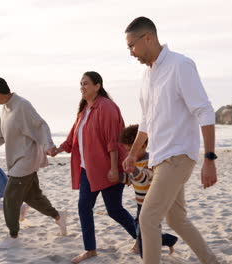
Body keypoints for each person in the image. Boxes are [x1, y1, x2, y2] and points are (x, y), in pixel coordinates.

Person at [123, 17, 219, 264]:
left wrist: (209, 158)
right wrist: (133, 153)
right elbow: (146, 121)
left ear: (148, 38)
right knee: (176, 219)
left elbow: (204, 111)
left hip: (178, 155)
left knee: (148, 218)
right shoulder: (147, 76)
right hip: (159, 156)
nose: (131, 52)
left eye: (132, 45)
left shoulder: (180, 65)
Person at [53, 71, 137, 263]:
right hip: (87, 169)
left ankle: (155, 239)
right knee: (84, 207)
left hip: (107, 168)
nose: (82, 88)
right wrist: (58, 149)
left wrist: (115, 169)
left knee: (114, 210)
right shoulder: (84, 109)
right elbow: (74, 136)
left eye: (86, 84)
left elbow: (113, 140)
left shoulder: (106, 107)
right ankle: (90, 250)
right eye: (80, 84)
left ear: (98, 86)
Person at [0, 77, 67, 248]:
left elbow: (41, 125)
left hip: (26, 159)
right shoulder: (5, 109)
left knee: (10, 198)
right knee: (33, 197)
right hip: (15, 160)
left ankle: (13, 237)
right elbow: (1, 136)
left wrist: (48, 145)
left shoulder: (23, 105)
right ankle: (58, 217)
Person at [118, 124, 178, 258]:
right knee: (141, 227)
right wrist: (120, 177)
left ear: (143, 145)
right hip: (140, 202)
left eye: (131, 150)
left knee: (142, 231)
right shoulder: (135, 161)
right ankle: (169, 240)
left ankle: (145, 257)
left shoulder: (151, 161)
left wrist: (133, 169)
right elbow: (131, 180)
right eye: (127, 151)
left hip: (151, 202)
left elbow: (144, 178)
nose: (129, 153)